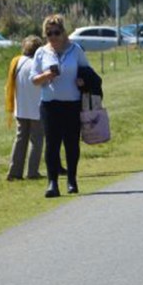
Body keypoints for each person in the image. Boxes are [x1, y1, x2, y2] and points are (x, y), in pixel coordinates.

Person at [31, 14, 91, 198]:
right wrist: (47, 75)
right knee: (52, 144)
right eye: (49, 34)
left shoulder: (75, 50)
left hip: (72, 104)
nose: (53, 37)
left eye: (57, 32)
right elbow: (34, 79)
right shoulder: (41, 52)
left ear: (64, 32)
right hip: (50, 105)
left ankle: (71, 180)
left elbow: (87, 72)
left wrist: (83, 81)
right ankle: (52, 183)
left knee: (71, 143)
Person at [5, 35, 45, 181]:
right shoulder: (38, 64)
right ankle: (32, 171)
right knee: (37, 140)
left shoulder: (18, 62)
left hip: (20, 108)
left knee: (20, 139)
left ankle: (14, 171)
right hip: (36, 108)